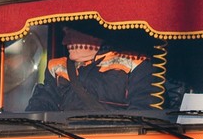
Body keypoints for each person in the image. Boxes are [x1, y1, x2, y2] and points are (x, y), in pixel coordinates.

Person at [26, 22, 155, 111]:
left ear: (91, 35)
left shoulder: (137, 63)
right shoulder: (56, 67)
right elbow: (41, 106)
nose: (64, 41)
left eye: (69, 34)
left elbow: (143, 115)